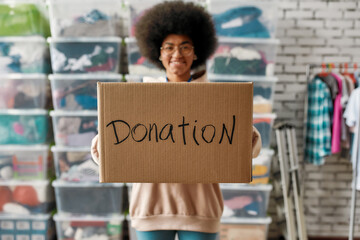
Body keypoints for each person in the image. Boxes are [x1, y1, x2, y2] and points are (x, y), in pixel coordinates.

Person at [91, 1, 262, 240]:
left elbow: (247, 150)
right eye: (169, 47)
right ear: (158, 53)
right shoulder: (139, 98)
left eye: (185, 47)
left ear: (196, 52)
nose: (177, 54)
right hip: (151, 208)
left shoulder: (218, 99)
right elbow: (109, 153)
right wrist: (106, 141)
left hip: (201, 209)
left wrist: (247, 134)